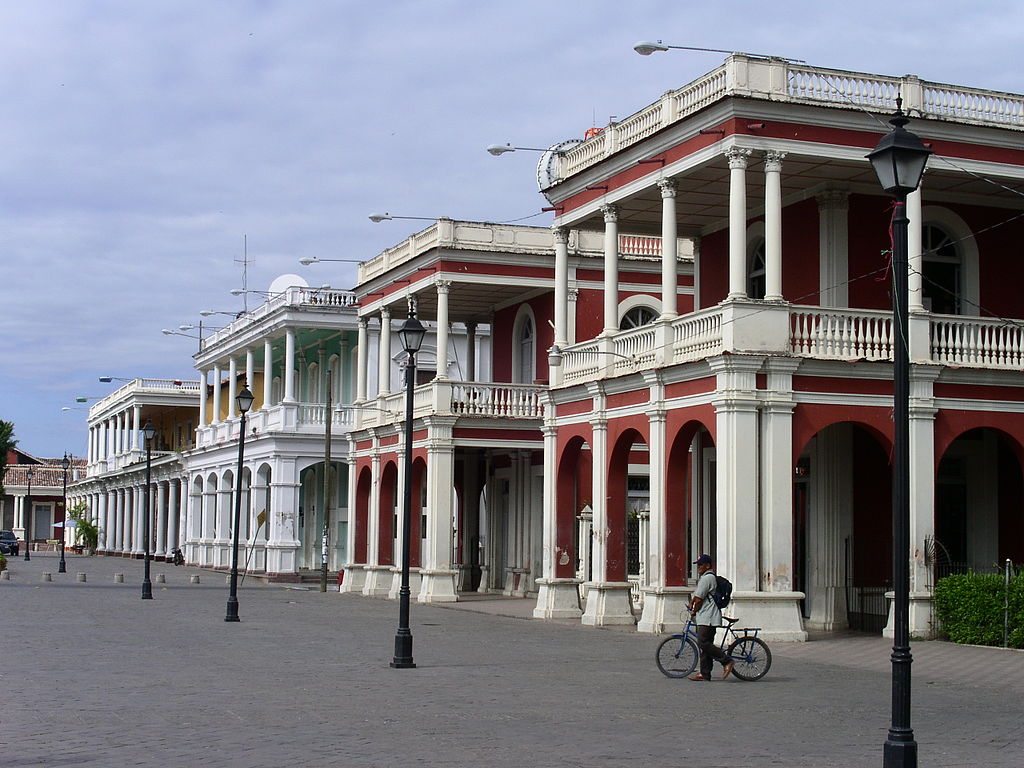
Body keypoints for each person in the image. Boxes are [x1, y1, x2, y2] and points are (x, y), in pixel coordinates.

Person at [687, 553, 734, 681]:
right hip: (708, 617)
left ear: (708, 565)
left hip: (707, 617)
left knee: (703, 642)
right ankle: (705, 673)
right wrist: (692, 602)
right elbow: (697, 596)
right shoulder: (708, 578)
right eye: (698, 565)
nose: (699, 568)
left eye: (701, 565)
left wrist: (693, 611)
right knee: (705, 646)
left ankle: (727, 661)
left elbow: (699, 598)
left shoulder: (707, 578)